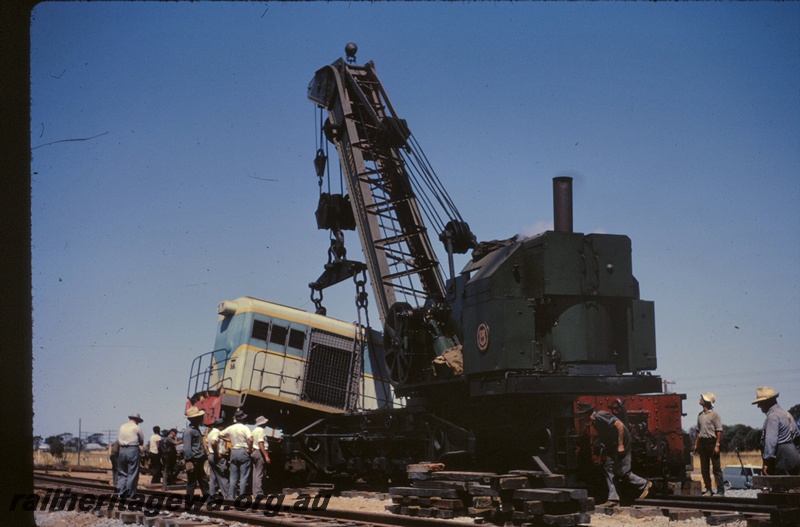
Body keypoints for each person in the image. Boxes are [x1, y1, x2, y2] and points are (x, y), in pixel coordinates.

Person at [580, 403, 651, 506]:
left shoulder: (600, 416)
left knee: (623, 471)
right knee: (609, 468)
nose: (581, 418)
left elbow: (619, 425)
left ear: (586, 414)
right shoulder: (595, 421)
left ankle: (644, 484)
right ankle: (613, 498)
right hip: (614, 444)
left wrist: (620, 444)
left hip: (622, 441)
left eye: (582, 415)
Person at [753, 387, 800, 476]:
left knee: (779, 486)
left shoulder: (773, 417)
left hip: (781, 456)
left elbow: (770, 441)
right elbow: (797, 436)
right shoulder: (786, 414)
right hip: (794, 455)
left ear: (767, 402)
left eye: (760, 403)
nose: (759, 406)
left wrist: (767, 461)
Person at [692, 392, 724, 496]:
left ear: (706, 402)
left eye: (702, 398)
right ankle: (709, 489)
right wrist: (696, 444)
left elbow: (719, 431)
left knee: (716, 468)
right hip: (703, 443)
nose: (700, 399)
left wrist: (717, 445)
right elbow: (698, 431)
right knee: (704, 468)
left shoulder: (715, 415)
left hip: (712, 442)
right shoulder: (700, 415)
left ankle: (720, 490)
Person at [220, 409, 253, 498]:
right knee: (243, 477)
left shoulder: (231, 427)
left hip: (234, 451)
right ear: (243, 419)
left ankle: (231, 497)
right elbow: (250, 439)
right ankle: (241, 498)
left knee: (233, 477)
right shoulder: (245, 428)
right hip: (243, 451)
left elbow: (220, 434)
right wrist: (249, 449)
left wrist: (229, 440)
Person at [183, 407, 210, 498]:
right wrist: (189, 461)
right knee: (192, 482)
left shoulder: (196, 430)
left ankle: (208, 499)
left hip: (199, 459)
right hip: (194, 460)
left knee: (203, 481)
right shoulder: (189, 431)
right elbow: (187, 447)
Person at [116, 412, 145, 498]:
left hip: (121, 450)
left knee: (122, 473)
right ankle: (130, 494)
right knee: (132, 473)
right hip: (132, 449)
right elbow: (141, 441)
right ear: (137, 421)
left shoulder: (122, 426)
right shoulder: (137, 428)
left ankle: (120, 493)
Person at [206, 417, 230, 498]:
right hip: (217, 456)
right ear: (219, 426)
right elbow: (213, 442)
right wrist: (216, 453)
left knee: (213, 477)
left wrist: (209, 451)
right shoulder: (216, 432)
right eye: (222, 425)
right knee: (223, 477)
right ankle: (227, 497)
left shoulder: (211, 432)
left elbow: (207, 443)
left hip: (211, 456)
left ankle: (213, 495)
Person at [250, 416, 271, 497]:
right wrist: (266, 455)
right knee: (260, 473)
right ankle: (259, 493)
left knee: (255, 473)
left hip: (255, 451)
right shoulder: (261, 431)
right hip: (260, 452)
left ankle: (255, 492)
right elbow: (260, 443)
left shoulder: (254, 430)